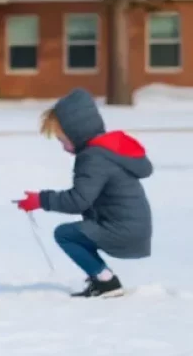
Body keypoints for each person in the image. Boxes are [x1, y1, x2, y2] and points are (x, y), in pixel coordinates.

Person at [16, 88, 152, 298]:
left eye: (62, 140)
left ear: (76, 132)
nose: (62, 147)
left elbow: (78, 200)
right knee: (78, 233)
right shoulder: (106, 150)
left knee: (65, 234)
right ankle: (104, 279)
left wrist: (41, 199)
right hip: (133, 227)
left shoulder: (93, 158)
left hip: (124, 230)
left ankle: (106, 281)